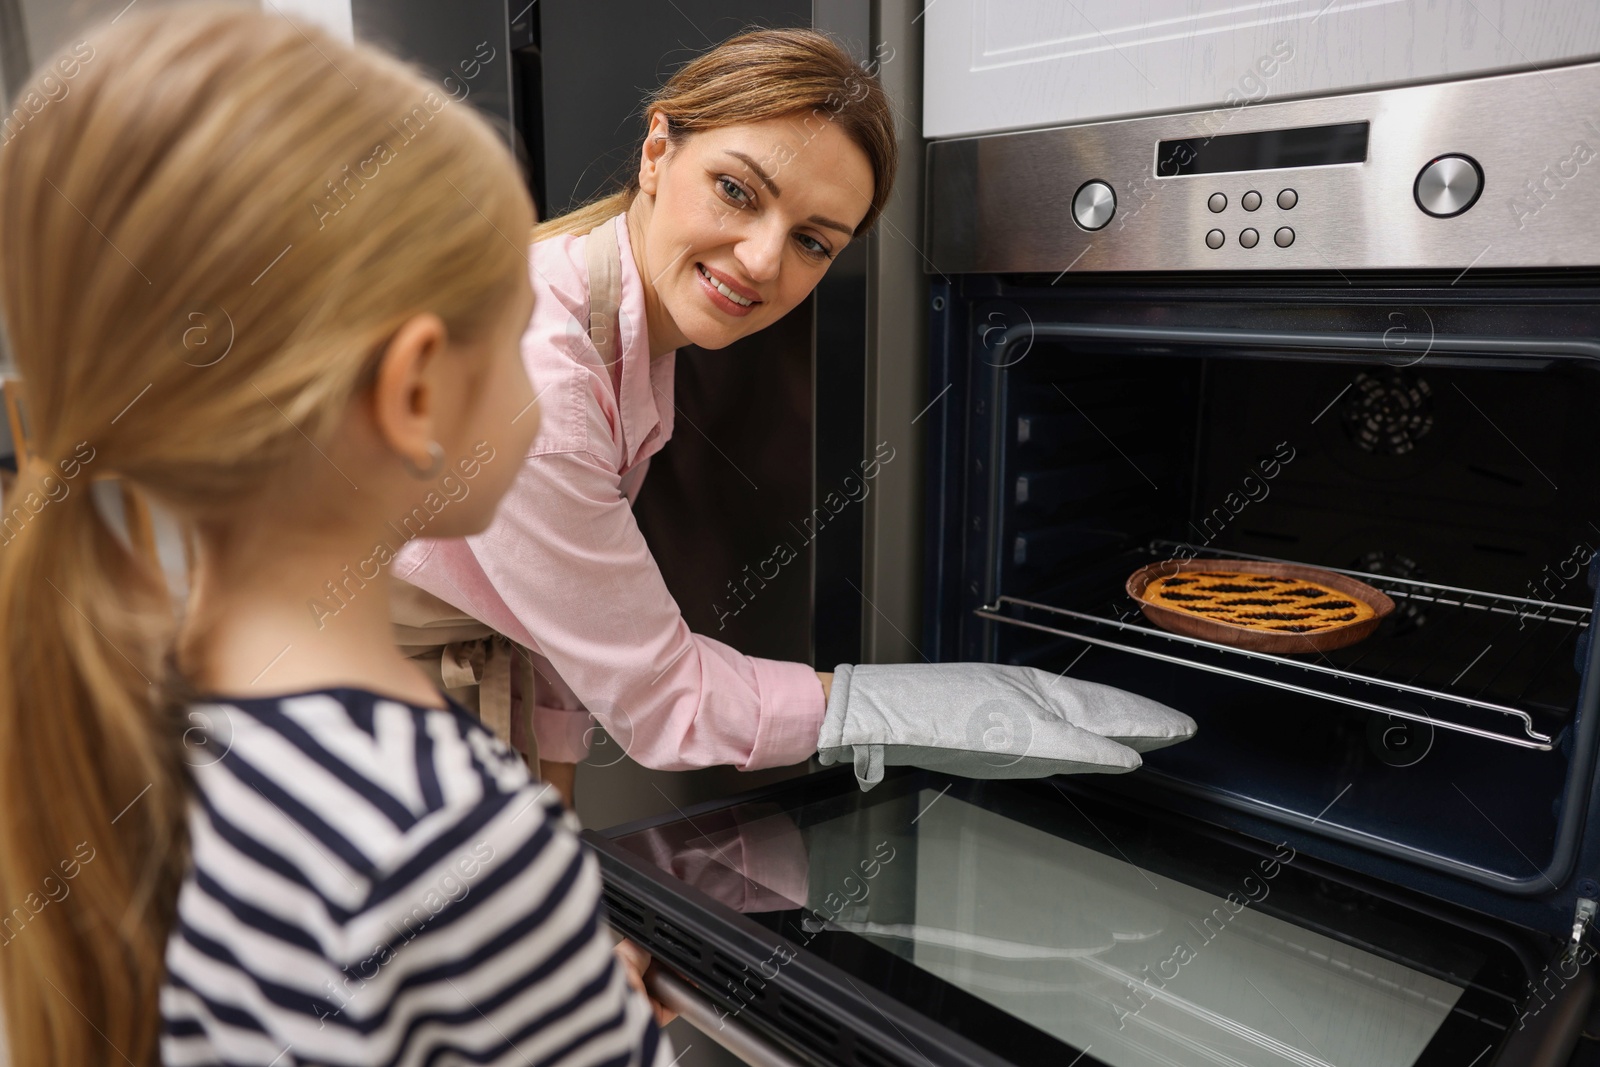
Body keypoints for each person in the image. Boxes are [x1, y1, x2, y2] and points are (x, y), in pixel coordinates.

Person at [0, 7, 669, 1064]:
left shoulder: (126, 717)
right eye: (513, 339)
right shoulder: (453, 833)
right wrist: (575, 987)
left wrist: (542, 976)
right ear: (413, 391)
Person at [393, 28, 899, 803]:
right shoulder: (540, 385)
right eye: (737, 190)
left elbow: (560, 615)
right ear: (657, 151)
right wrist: (892, 708)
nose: (764, 261)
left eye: (811, 241)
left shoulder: (617, 328)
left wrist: (559, 829)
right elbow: (665, 697)